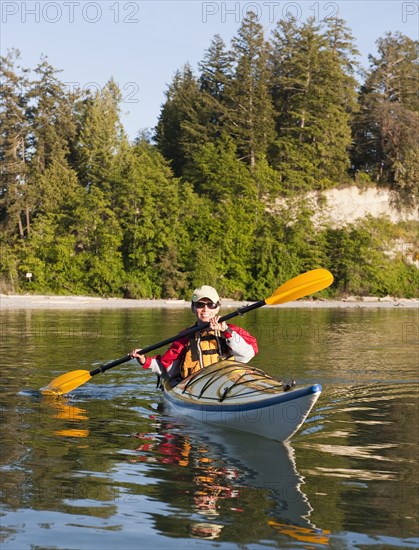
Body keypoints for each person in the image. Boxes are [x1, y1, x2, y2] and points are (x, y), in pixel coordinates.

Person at [131, 285, 258, 385]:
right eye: (200, 305)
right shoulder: (184, 338)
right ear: (193, 308)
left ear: (217, 308)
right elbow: (167, 371)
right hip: (196, 387)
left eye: (211, 304)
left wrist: (226, 331)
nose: (205, 309)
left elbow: (247, 354)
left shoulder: (231, 331)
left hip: (227, 383)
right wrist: (144, 360)